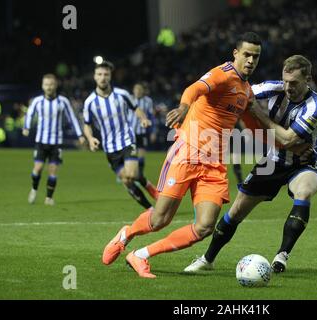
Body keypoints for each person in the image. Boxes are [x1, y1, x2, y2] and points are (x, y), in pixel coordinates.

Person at [102, 32, 262, 278]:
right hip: (187, 152)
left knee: (205, 226)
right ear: (236, 54)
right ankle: (126, 234)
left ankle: (140, 255)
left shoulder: (246, 92)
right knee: (159, 220)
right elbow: (194, 88)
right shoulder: (222, 74)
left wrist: (272, 142)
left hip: (214, 165)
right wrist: (183, 108)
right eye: (247, 55)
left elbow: (253, 124)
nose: (251, 60)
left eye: (256, 56)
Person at [184, 55, 317, 273]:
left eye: (295, 83)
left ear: (308, 79)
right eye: (286, 81)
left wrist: (257, 113)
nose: (288, 87)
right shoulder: (273, 88)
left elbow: (288, 139)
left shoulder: (316, 106)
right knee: (236, 211)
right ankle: (207, 259)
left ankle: (281, 256)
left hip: (303, 164)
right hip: (271, 161)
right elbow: (239, 96)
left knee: (304, 191)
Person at [82, 61, 153, 209]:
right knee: (127, 181)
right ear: (94, 77)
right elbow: (86, 124)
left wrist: (143, 119)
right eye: (99, 74)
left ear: (110, 76)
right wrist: (90, 139)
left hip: (127, 140)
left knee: (132, 174)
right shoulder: (89, 102)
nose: (103, 78)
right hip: (109, 148)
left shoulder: (122, 94)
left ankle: (148, 187)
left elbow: (136, 108)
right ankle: (150, 210)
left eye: (106, 74)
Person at [23, 74, 85, 205]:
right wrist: (26, 127)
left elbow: (72, 118)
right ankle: (34, 189)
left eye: (51, 84)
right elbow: (29, 114)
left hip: (56, 143)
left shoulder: (63, 101)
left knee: (53, 171)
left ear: (55, 85)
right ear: (42, 86)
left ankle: (49, 198)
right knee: (38, 168)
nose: (49, 87)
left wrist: (80, 135)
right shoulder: (37, 101)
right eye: (46, 84)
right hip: (41, 141)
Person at [127, 82, 159, 200]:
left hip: (141, 132)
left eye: (140, 89)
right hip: (130, 133)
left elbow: (151, 116)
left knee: (141, 156)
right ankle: (134, 173)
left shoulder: (148, 101)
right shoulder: (129, 99)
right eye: (136, 89)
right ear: (133, 90)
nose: (138, 91)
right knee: (130, 154)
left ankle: (139, 174)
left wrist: (153, 131)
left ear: (143, 91)